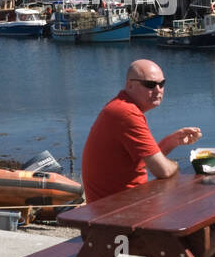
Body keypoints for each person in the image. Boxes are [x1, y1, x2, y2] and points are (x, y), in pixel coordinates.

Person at [81, 59, 201, 203]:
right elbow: (164, 171)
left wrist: (171, 142)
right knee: (196, 198)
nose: (158, 90)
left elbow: (142, 163)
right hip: (116, 211)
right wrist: (175, 166)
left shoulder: (121, 106)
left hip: (119, 203)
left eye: (161, 84)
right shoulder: (126, 113)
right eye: (150, 85)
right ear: (129, 85)